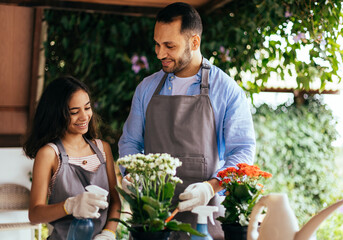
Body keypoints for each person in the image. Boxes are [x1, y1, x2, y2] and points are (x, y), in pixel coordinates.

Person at [118, 2, 256, 239]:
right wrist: (131, 173)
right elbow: (130, 142)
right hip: (152, 224)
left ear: (194, 42)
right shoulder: (146, 88)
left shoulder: (226, 90)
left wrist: (210, 187)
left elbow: (242, 151)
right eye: (157, 44)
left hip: (205, 218)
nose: (160, 53)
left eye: (169, 46)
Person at [23, 76, 121, 240]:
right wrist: (70, 206)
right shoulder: (49, 154)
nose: (84, 117)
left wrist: (108, 233)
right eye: (74, 112)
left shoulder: (103, 149)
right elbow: (35, 214)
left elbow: (115, 200)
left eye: (87, 107)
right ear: (56, 114)